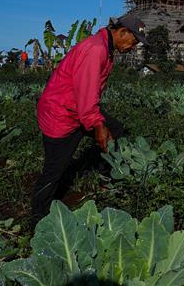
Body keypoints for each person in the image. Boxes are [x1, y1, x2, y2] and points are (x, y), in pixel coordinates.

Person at [30, 13, 148, 225]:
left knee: (115, 129)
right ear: (122, 32)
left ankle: (106, 178)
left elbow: (86, 97)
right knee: (54, 171)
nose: (134, 47)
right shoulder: (96, 50)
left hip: (75, 110)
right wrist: (97, 125)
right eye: (134, 41)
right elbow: (86, 94)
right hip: (61, 114)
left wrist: (99, 124)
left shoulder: (105, 47)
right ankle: (38, 220)